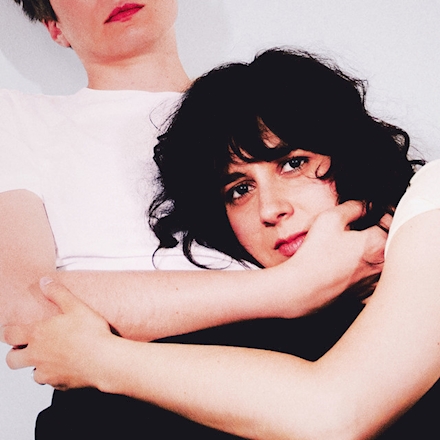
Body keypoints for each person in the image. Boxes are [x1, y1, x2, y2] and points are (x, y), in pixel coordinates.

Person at [4, 49, 437, 439]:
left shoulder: (429, 201)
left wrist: (99, 359)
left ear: (352, 154)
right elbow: (35, 304)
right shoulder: (278, 328)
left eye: (293, 164)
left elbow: (334, 417)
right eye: (240, 189)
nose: (270, 209)